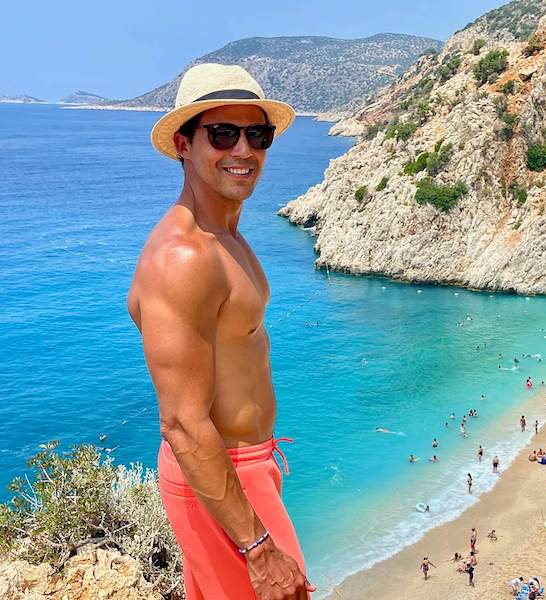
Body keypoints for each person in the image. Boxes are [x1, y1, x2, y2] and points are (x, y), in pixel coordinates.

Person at [127, 63, 312, 599]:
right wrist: (257, 547)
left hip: (243, 471)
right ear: (184, 144)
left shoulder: (225, 236)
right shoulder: (184, 259)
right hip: (220, 480)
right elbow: (182, 424)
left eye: (257, 135)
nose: (243, 150)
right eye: (223, 134)